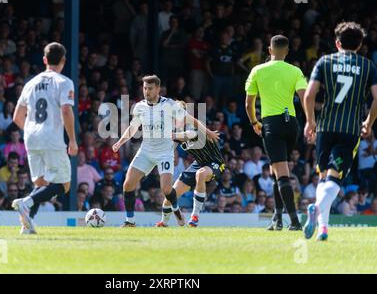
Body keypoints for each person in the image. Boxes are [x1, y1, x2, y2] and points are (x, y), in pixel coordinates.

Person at [112, 75, 219, 227]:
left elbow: (191, 120)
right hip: (146, 151)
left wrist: (208, 132)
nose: (146, 92)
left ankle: (176, 209)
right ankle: (130, 221)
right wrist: (120, 142)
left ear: (157, 89)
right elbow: (133, 127)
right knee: (128, 184)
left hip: (164, 153)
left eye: (149, 89)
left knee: (166, 189)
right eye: (144, 88)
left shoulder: (169, 105)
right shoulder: (139, 107)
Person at [303, 22, 377, 241]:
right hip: (350, 129)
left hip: (325, 127)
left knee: (324, 175)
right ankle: (318, 214)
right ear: (360, 44)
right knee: (334, 179)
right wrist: (369, 122)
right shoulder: (367, 66)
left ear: (337, 43)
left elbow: (308, 96)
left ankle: (323, 227)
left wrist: (310, 121)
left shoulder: (325, 62)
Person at [11, 42, 78, 235]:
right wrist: (72, 140)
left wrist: (32, 130)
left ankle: (27, 225)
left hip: (31, 136)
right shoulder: (64, 82)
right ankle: (26, 202)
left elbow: (17, 116)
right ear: (63, 61)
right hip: (51, 137)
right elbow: (66, 110)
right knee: (64, 185)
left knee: (40, 184)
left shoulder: (30, 83)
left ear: (44, 60)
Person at [245, 34, 307, 231]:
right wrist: (311, 122)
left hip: (272, 124)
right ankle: (277, 219)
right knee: (277, 171)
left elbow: (248, 103)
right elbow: (305, 98)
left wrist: (254, 122)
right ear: (287, 51)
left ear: (269, 50)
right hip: (292, 125)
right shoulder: (295, 70)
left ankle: (295, 222)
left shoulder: (257, 70)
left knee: (281, 175)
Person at [155, 101, 226, 227]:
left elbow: (190, 135)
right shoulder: (175, 131)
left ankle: (195, 216)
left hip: (215, 163)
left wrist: (168, 135)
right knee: (170, 197)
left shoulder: (192, 126)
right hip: (198, 163)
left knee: (201, 174)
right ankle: (164, 223)